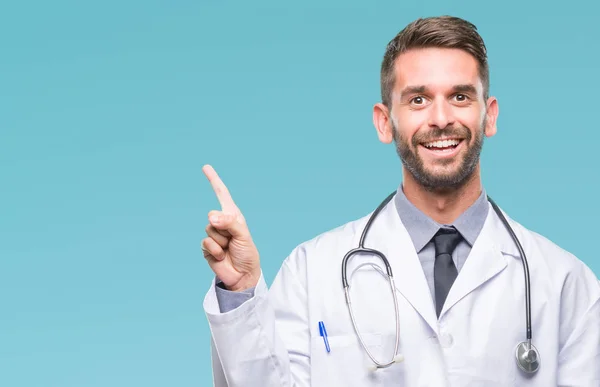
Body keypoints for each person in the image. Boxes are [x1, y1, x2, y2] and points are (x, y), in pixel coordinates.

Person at [200, 15, 600, 386]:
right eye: (418, 100)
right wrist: (240, 291)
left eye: (460, 97)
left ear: (489, 116)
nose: (441, 118)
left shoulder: (566, 284)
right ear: (384, 121)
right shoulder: (313, 271)